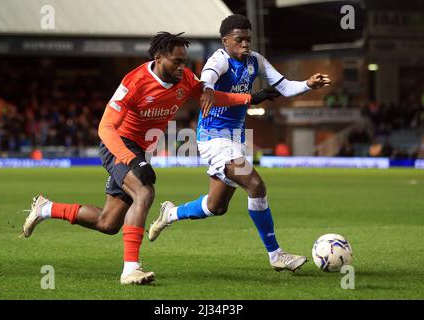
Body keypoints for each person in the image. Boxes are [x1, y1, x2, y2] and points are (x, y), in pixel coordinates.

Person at [19, 31, 280, 285]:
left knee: (108, 223)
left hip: (140, 150)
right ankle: (130, 270)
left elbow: (209, 97)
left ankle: (45, 208)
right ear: (158, 57)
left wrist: (251, 97)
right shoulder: (134, 82)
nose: (182, 67)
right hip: (118, 144)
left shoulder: (185, 79)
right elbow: (105, 128)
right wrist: (132, 160)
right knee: (145, 193)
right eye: (177, 62)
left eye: (185, 62)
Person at [149, 15, 331, 272]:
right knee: (256, 185)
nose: (245, 44)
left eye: (248, 39)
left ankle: (171, 214)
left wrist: (308, 84)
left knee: (216, 206)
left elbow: (285, 87)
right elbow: (207, 81)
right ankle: (276, 254)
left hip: (235, 139)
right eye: (239, 40)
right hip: (212, 138)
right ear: (225, 41)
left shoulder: (256, 60)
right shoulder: (219, 60)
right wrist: (209, 90)